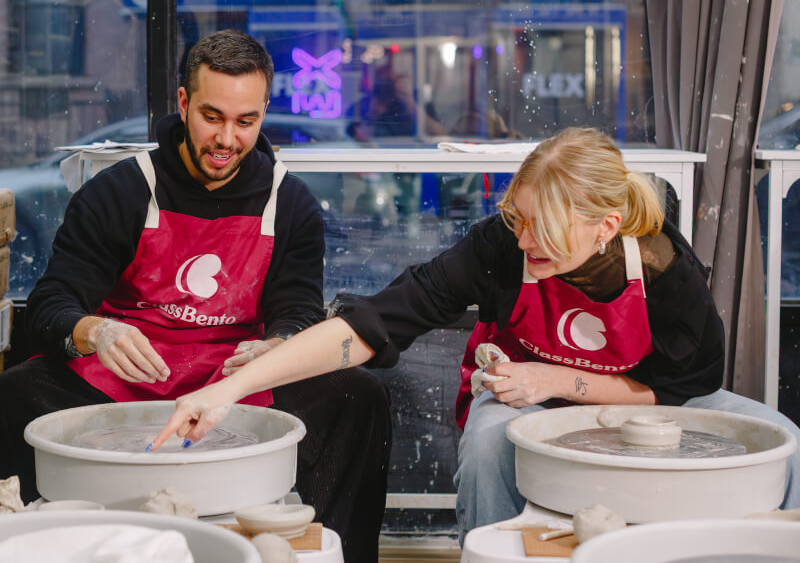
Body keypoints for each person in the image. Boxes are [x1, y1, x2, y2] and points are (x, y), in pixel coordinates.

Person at [152, 126, 800, 543]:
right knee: (492, 442)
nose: (523, 241)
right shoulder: (499, 247)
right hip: (522, 398)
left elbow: (688, 387)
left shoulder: (663, 268)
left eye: (542, 228)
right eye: (517, 218)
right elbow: (375, 324)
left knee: (785, 441)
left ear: (605, 227)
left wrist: (563, 379)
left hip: (643, 402)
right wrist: (230, 390)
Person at [0, 29, 391, 563]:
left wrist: (280, 343)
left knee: (358, 397)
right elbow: (51, 303)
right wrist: (96, 331)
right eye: (213, 117)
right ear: (184, 103)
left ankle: (320, 551)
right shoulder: (121, 191)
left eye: (245, 122)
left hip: (232, 380)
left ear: (263, 114)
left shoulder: (290, 203)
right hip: (127, 374)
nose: (227, 139)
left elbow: (297, 310)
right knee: (16, 392)